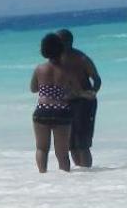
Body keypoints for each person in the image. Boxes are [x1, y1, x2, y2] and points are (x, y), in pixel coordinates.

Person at [30, 32, 88, 173]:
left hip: (42, 110)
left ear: (44, 50)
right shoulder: (67, 70)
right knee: (62, 153)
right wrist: (87, 94)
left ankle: (43, 177)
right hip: (61, 111)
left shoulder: (39, 69)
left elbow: (33, 89)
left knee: (41, 148)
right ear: (61, 49)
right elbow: (76, 90)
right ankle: (65, 183)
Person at [55, 28, 101, 167]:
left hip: (83, 103)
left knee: (82, 144)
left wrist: (92, 92)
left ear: (68, 42)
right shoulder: (56, 60)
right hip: (65, 103)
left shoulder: (81, 58)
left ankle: (87, 173)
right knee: (71, 144)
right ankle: (81, 176)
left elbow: (96, 79)